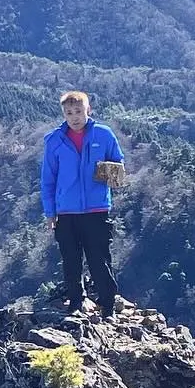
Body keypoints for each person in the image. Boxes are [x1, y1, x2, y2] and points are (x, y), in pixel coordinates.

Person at [39, 90, 124, 317]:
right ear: (63, 114)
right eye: (69, 113)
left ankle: (108, 306)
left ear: (88, 110)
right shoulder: (54, 141)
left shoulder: (103, 135)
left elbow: (118, 162)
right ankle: (75, 303)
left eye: (78, 111)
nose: (74, 117)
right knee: (71, 261)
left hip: (97, 209)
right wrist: (50, 213)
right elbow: (48, 179)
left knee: (99, 259)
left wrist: (112, 175)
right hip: (66, 211)